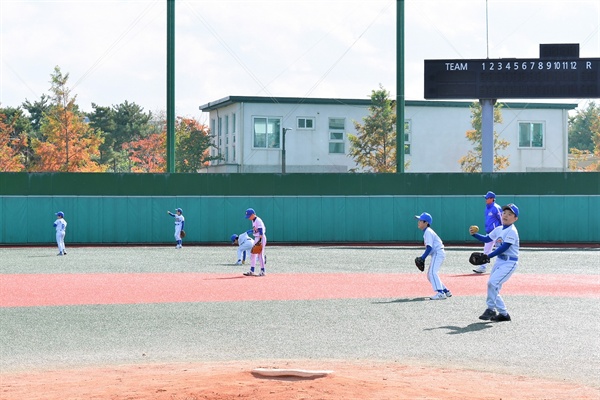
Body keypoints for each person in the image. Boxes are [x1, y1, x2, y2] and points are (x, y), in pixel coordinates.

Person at [470, 203, 520, 322]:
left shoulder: (512, 231)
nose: (505, 215)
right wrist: (474, 235)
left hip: (509, 262)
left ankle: (491, 309)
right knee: (493, 286)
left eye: (510, 214)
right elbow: (487, 239)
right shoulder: (499, 229)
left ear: (515, 218)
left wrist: (489, 255)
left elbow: (505, 247)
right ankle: (504, 314)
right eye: (504, 213)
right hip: (499, 261)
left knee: (492, 283)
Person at [414, 212, 452, 300]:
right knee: (430, 275)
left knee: (432, 273)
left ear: (426, 223)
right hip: (437, 253)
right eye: (418, 220)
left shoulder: (428, 232)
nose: (418, 222)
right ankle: (445, 291)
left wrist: (422, 258)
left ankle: (440, 293)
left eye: (420, 220)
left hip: (438, 253)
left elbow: (429, 247)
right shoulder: (427, 232)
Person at [473, 191, 503, 274]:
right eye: (485, 198)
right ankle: (483, 267)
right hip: (490, 233)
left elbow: (502, 219)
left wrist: (502, 231)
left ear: (492, 199)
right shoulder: (487, 208)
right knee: (486, 250)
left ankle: (500, 267)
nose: (485, 199)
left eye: (487, 198)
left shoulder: (496, 208)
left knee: (499, 250)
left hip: (497, 233)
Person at [243, 208, 267, 276]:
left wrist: (259, 240)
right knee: (253, 254)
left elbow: (260, 230)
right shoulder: (253, 220)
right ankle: (252, 270)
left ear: (253, 214)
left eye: (249, 216)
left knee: (260, 254)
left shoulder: (258, 220)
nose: (248, 218)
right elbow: (256, 229)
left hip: (260, 238)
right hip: (257, 238)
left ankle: (263, 271)